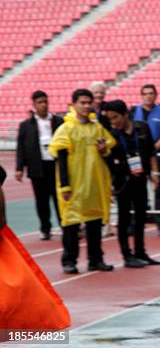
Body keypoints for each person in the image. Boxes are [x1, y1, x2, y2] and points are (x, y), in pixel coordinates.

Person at [48, 89, 117, 274]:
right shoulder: (66, 129)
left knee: (94, 223)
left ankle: (96, 259)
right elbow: (60, 159)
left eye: (89, 102)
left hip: (93, 184)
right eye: (82, 103)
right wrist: (64, 185)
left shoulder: (97, 128)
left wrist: (104, 150)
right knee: (71, 224)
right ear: (74, 104)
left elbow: (107, 152)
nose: (86, 106)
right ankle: (69, 260)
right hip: (75, 184)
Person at [105, 100, 160, 267]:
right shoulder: (112, 135)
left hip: (140, 179)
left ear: (125, 114)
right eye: (110, 119)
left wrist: (155, 172)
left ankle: (140, 251)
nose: (113, 122)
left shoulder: (142, 127)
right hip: (122, 181)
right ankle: (126, 255)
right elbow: (108, 161)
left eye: (115, 117)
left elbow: (151, 151)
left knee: (140, 217)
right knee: (123, 219)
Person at [15, 90, 64, 240]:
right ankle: (45, 228)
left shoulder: (58, 121)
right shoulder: (25, 125)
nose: (43, 105)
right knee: (42, 201)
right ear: (34, 104)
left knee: (59, 199)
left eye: (45, 102)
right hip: (37, 166)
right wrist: (19, 168)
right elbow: (21, 147)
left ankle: (65, 226)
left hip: (55, 166)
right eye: (40, 102)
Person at [132, 84, 160, 236]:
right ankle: (135, 223)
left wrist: (151, 150)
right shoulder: (134, 111)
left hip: (156, 156)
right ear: (141, 96)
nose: (148, 96)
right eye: (145, 93)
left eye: (151, 93)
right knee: (136, 189)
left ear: (155, 95)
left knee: (158, 189)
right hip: (137, 157)